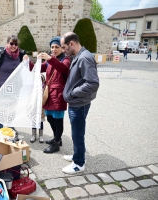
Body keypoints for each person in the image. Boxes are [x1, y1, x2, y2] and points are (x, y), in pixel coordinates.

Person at [60, 32, 99, 174]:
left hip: (79, 104)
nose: (63, 50)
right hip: (76, 103)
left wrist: (72, 93)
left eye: (64, 47)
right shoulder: (78, 56)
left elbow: (93, 83)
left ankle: (79, 163)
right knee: (76, 133)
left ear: (72, 43)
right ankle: (78, 155)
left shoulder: (85, 58)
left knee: (77, 134)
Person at [0, 35, 31, 138]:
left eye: (16, 44)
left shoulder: (21, 54)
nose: (13, 46)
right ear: (7, 44)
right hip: (3, 84)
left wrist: (27, 60)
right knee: (2, 107)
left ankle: (10, 126)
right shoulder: (0, 54)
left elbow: (27, 67)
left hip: (16, 85)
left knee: (12, 107)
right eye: (11, 43)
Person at [34, 36, 71, 153]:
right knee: (49, 117)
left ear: (62, 48)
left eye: (57, 47)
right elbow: (39, 68)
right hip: (49, 93)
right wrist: (28, 63)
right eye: (52, 47)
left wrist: (50, 59)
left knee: (58, 119)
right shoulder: (51, 60)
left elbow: (63, 68)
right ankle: (57, 138)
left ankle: (56, 143)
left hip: (59, 94)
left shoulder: (66, 59)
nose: (54, 49)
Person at [30, 74, 46, 143]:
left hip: (41, 108)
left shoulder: (44, 88)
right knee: (34, 121)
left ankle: (41, 135)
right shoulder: (33, 88)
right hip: (34, 107)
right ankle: (33, 135)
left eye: (40, 80)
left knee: (40, 121)